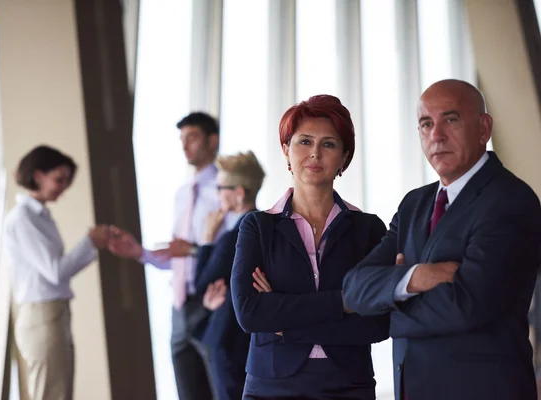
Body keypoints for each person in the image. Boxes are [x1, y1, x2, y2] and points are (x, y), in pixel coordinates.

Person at [342, 79, 541, 400]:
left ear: (484, 127)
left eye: (450, 119)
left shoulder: (510, 200)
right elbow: (352, 289)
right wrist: (417, 277)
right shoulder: (414, 204)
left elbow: (467, 306)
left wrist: (388, 304)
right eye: (426, 123)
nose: (436, 135)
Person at [230, 95, 390, 399]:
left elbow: (379, 323)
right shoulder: (258, 227)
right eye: (304, 142)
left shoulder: (368, 229)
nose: (315, 153)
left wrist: (285, 325)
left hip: (349, 386)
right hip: (270, 387)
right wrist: (343, 303)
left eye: (328, 144)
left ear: (344, 157)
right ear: (286, 151)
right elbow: (250, 313)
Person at [108, 112, 234, 400]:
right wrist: (140, 253)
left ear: (212, 141)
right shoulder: (180, 194)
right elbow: (178, 256)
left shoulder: (224, 192)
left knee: (222, 388)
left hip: (211, 303)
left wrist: (189, 250)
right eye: (182, 139)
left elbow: (230, 249)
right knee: (188, 392)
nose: (185, 146)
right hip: (180, 307)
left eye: (192, 138)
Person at [3, 145, 110, 400]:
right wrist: (89, 242)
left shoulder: (40, 216)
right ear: (38, 175)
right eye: (58, 179)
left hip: (53, 313)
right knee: (52, 394)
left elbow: (57, 270)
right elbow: (56, 271)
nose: (63, 187)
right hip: (42, 316)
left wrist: (95, 245)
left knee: (58, 393)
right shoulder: (23, 218)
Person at [164, 150, 265, 400]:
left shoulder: (235, 235)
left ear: (239, 192)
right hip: (250, 338)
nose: (217, 194)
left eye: (221, 188)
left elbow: (201, 284)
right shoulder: (265, 226)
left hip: (228, 339)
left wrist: (208, 239)